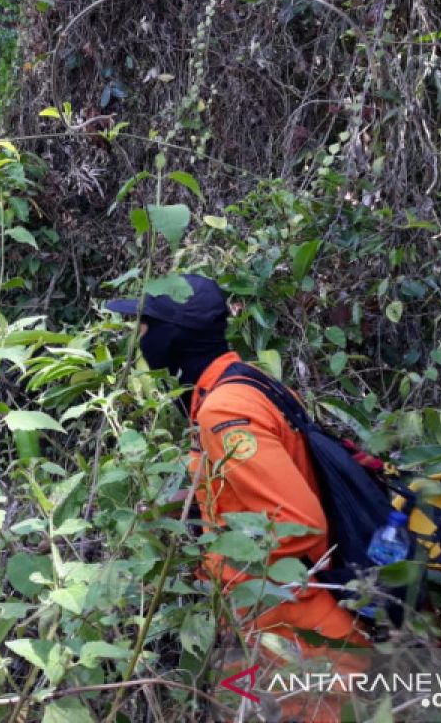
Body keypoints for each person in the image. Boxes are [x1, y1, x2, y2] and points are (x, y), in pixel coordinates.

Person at [105, 275, 370, 667]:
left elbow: (301, 523)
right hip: (283, 623)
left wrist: (218, 568)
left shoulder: (226, 410)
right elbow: (249, 486)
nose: (139, 336)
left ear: (173, 337)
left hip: (297, 636)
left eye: (145, 326)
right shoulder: (246, 382)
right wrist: (167, 511)